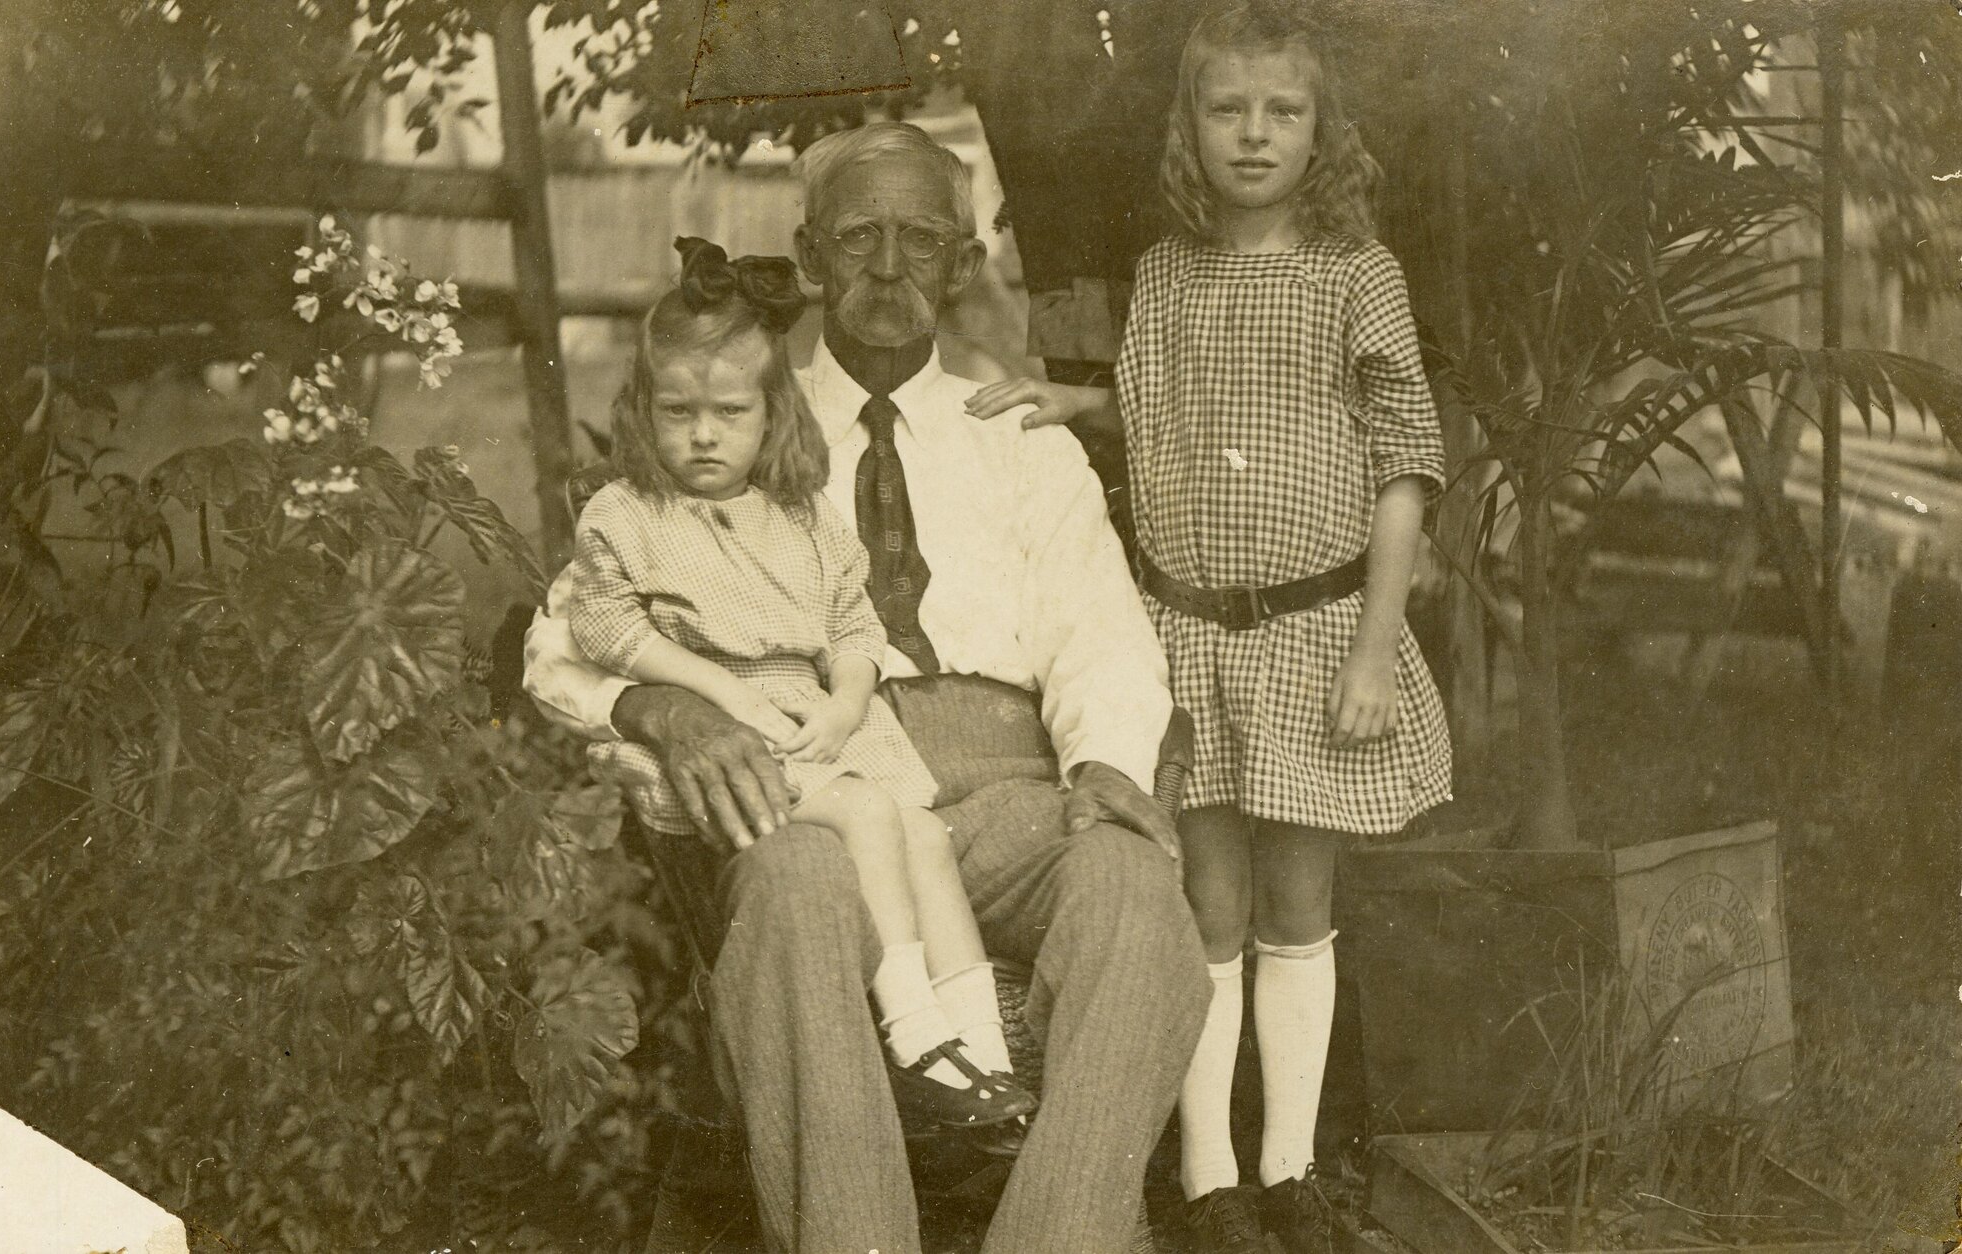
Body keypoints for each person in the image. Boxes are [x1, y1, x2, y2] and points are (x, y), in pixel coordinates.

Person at [525, 122, 1211, 1254]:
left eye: (919, 240)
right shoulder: (733, 414)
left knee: (1135, 896)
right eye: (857, 239)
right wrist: (664, 708)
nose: (888, 270)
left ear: (959, 264)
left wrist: (1100, 771)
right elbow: (563, 634)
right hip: (814, 785)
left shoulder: (1019, 442)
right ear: (807, 256)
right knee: (793, 884)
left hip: (1006, 791)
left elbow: (1101, 639)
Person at [967, 4, 1453, 1250]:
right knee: (1203, 908)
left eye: (1280, 112)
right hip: (1186, 638)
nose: (1252, 135)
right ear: (1189, 126)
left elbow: (1402, 466)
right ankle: (1208, 1179)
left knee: (1297, 906)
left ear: (1318, 130)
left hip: (1311, 634)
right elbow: (1174, 422)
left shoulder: (1356, 275)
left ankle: (1287, 1171)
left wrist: (1368, 646)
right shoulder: (1170, 275)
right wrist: (1069, 398)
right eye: (1225, 110)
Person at [566, 237, 1035, 1132]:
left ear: (772, 410)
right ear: (642, 408)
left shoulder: (800, 514)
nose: (703, 436)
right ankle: (918, 1038)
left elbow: (857, 625)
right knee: (866, 816)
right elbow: (604, 626)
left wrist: (848, 701)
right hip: (726, 740)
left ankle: (984, 1053)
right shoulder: (628, 514)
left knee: (924, 839)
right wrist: (714, 689)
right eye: (677, 412)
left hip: (818, 727)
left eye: (729, 412)